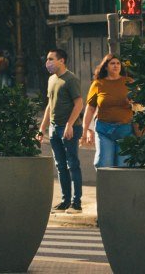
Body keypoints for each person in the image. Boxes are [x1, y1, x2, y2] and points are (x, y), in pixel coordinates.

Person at [38, 48, 84, 213]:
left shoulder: (70, 79)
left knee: (73, 164)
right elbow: (50, 105)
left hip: (69, 128)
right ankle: (65, 200)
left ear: (61, 60)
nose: (48, 63)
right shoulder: (51, 79)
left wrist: (70, 124)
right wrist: (42, 128)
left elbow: (79, 103)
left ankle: (76, 202)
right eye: (47, 59)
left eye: (51, 59)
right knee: (60, 165)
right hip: (54, 128)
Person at [81, 54, 134, 168]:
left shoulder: (129, 82)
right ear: (105, 67)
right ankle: (105, 186)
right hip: (104, 130)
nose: (116, 66)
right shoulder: (98, 83)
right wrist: (85, 130)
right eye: (112, 63)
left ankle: (120, 187)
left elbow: (140, 106)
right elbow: (90, 109)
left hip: (125, 130)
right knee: (104, 164)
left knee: (123, 166)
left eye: (118, 63)